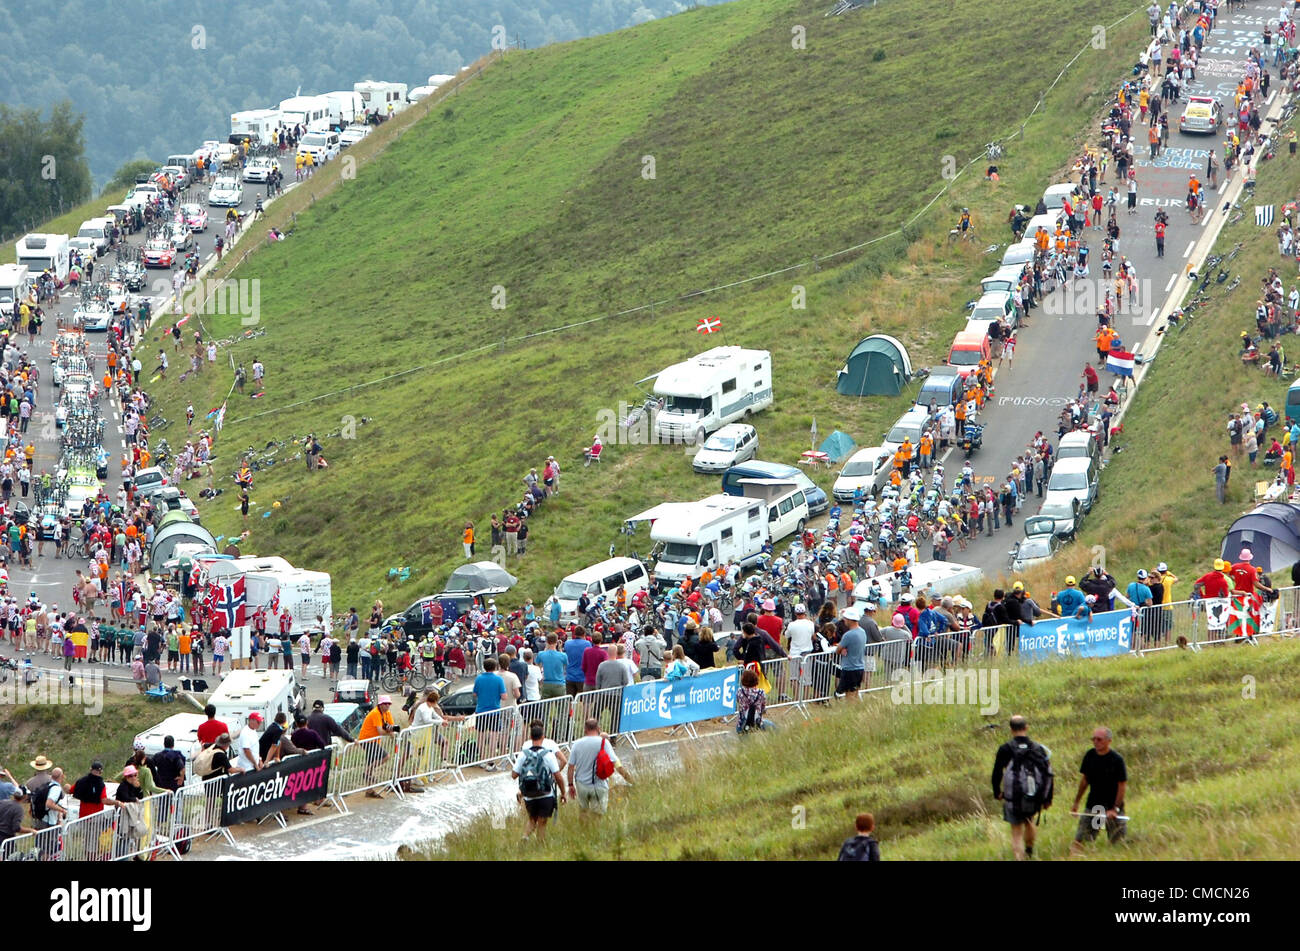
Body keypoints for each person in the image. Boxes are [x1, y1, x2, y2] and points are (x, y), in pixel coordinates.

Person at [991, 715, 1054, 860]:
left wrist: (997, 792)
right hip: (1034, 793)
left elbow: (997, 772)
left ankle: (1019, 858)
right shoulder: (1038, 748)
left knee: (1016, 831)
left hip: (1013, 796)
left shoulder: (1005, 749)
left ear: (1011, 729)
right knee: (1029, 820)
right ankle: (1030, 851)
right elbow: (1048, 773)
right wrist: (1047, 798)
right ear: (1026, 727)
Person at [1070, 726, 1128, 854]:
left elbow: (1122, 785)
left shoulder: (1117, 760)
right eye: (1093, 739)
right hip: (1094, 806)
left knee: (1118, 844)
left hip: (1112, 807)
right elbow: (1085, 781)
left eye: (1099, 739)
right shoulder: (1090, 756)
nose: (1096, 742)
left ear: (1109, 741)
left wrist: (1115, 809)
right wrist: (1076, 802)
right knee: (1081, 840)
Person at [511, 721, 566, 841]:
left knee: (532, 819)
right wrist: (563, 793)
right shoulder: (548, 754)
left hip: (529, 794)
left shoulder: (523, 753)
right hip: (545, 793)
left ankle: (524, 838)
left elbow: (514, 775)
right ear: (543, 736)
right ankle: (540, 845)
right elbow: (559, 777)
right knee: (542, 822)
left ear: (530, 737)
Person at [567, 718, 632, 816]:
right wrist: (630, 780)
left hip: (581, 784)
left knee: (583, 812)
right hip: (598, 784)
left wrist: (571, 785)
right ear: (598, 728)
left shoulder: (577, 744)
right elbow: (616, 763)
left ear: (585, 729)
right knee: (597, 814)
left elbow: (571, 767)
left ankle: (584, 830)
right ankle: (594, 830)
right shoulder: (603, 743)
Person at [835, 606, 867, 697]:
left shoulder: (848, 635)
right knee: (855, 692)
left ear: (850, 620)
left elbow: (837, 650)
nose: (844, 621)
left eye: (845, 619)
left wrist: (841, 649)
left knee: (848, 694)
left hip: (849, 668)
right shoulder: (862, 632)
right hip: (860, 667)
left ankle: (850, 709)